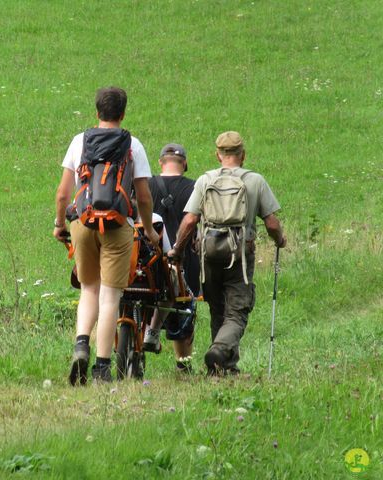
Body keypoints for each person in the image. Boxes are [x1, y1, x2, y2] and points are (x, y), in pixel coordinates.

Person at [53, 87, 159, 385]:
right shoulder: (133, 144)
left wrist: (60, 224)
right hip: (117, 225)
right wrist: (148, 229)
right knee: (110, 295)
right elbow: (145, 196)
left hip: (83, 222)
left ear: (96, 111)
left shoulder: (79, 141)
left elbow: (63, 194)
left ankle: (80, 345)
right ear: (123, 114)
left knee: (89, 288)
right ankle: (101, 368)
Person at [169, 131, 287, 375]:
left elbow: (190, 220)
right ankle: (220, 351)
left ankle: (222, 366)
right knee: (237, 311)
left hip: (208, 252)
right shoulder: (255, 181)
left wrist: (177, 249)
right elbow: (272, 224)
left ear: (218, 154)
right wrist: (280, 240)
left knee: (217, 308)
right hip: (240, 253)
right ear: (243, 155)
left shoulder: (205, 180)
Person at [143, 144, 199, 372]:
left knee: (141, 305)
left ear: (160, 162)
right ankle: (183, 365)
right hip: (182, 259)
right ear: (184, 163)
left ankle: (136, 350)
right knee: (183, 312)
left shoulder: (146, 184)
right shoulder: (194, 187)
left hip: (147, 259)